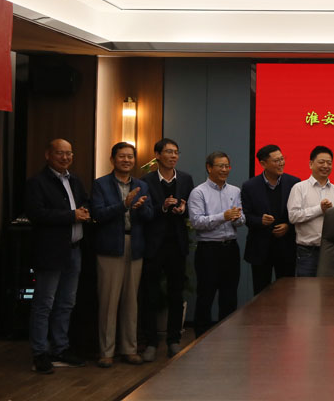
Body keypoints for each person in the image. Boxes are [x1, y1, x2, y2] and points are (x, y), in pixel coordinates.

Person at [25, 139, 90, 374]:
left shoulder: (75, 180)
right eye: (60, 153)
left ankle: (60, 348)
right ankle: (40, 352)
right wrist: (72, 215)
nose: (65, 157)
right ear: (48, 154)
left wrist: (86, 211)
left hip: (74, 250)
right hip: (50, 251)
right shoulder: (37, 182)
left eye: (69, 153)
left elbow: (84, 203)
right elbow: (37, 214)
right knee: (44, 304)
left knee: (66, 303)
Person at [90, 142, 154, 368]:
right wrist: (123, 205)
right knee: (108, 302)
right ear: (112, 159)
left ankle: (130, 349)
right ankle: (106, 351)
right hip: (110, 247)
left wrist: (141, 207)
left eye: (130, 157)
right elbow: (97, 214)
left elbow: (150, 215)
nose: (126, 160)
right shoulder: (100, 185)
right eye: (122, 156)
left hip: (134, 246)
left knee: (131, 301)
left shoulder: (142, 185)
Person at [140, 138, 194, 361]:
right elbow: (144, 213)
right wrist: (162, 207)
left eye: (176, 152)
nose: (173, 156)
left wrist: (183, 210)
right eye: (169, 152)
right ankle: (151, 342)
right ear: (157, 155)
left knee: (176, 294)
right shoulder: (146, 181)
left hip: (177, 244)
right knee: (150, 295)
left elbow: (191, 209)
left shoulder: (186, 179)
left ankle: (173, 340)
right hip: (153, 245)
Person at [188, 151, 246, 337]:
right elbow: (196, 222)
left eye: (227, 166)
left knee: (229, 296)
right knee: (206, 295)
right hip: (208, 250)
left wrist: (237, 218)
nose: (224, 170)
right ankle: (200, 338)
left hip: (231, 248)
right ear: (209, 167)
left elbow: (241, 219)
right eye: (220, 166)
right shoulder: (198, 192)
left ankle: (227, 338)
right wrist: (223, 216)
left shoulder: (235, 191)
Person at [242, 144, 301, 295]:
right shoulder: (250, 186)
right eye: (276, 161)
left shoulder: (294, 183)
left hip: (286, 247)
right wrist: (260, 220)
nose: (281, 163)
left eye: (282, 159)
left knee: (288, 293)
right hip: (260, 248)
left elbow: (299, 213)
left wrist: (288, 226)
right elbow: (245, 216)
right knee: (261, 293)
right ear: (263, 164)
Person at [288, 145, 334, 277]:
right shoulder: (299, 188)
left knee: (330, 288)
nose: (326, 166)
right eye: (321, 162)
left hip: (332, 251)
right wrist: (319, 209)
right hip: (307, 251)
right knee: (306, 288)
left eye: (329, 163)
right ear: (311, 164)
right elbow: (293, 217)